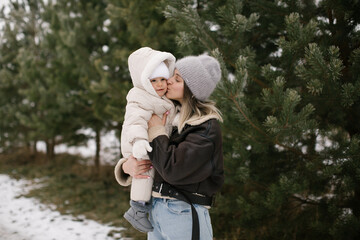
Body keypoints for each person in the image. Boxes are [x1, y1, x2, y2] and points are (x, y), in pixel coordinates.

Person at [115, 54, 224, 240]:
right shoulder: (168, 116)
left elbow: (172, 169)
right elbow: (148, 152)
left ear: (192, 89)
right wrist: (126, 166)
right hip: (157, 210)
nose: (168, 82)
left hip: (184, 211)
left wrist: (156, 131)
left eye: (177, 79)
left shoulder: (205, 128)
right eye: (171, 76)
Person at [119, 47, 176, 233]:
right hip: (139, 145)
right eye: (153, 80)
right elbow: (135, 120)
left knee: (147, 170)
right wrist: (138, 141)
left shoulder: (163, 97)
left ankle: (140, 208)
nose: (160, 84)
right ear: (143, 81)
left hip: (153, 146)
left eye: (162, 79)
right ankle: (137, 208)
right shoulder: (139, 97)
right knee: (145, 172)